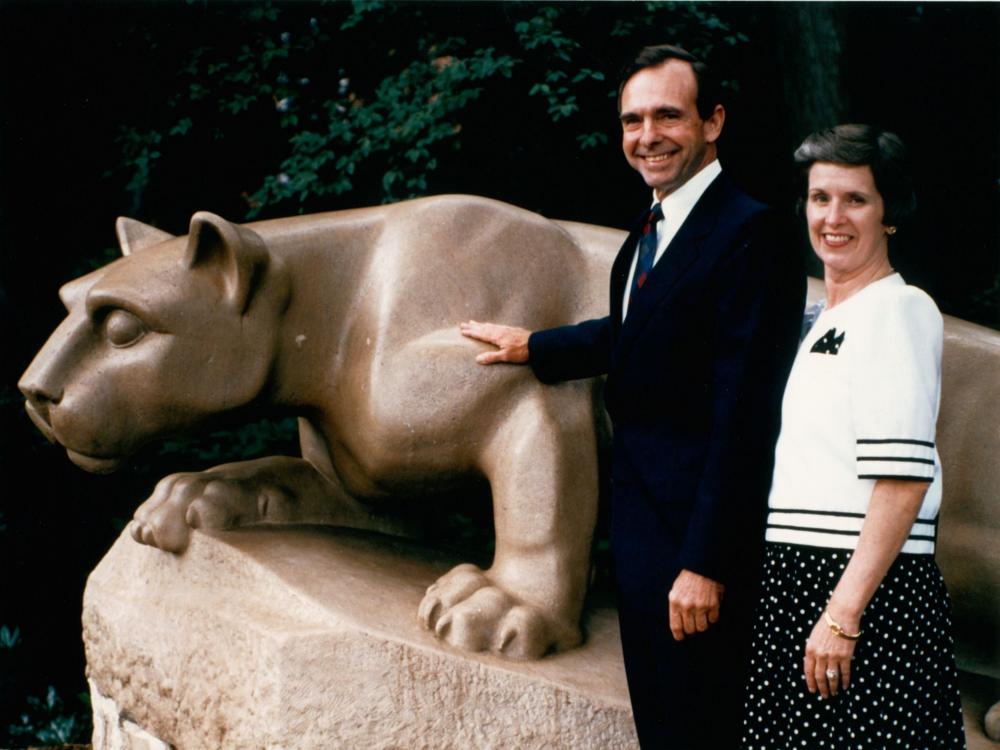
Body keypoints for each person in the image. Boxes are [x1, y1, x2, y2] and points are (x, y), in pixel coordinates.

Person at [461, 44, 804, 748]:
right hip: (645, 532)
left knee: (702, 729)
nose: (646, 136)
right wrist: (536, 345)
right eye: (632, 120)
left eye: (667, 116)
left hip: (698, 551)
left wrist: (705, 563)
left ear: (713, 122)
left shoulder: (752, 233)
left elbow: (747, 414)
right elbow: (635, 332)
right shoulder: (649, 229)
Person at [740, 124, 966, 749]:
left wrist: (842, 616)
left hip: (861, 594)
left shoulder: (900, 309)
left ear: (888, 212)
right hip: (800, 578)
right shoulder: (827, 316)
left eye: (855, 199)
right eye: (820, 198)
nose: (833, 217)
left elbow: (902, 480)